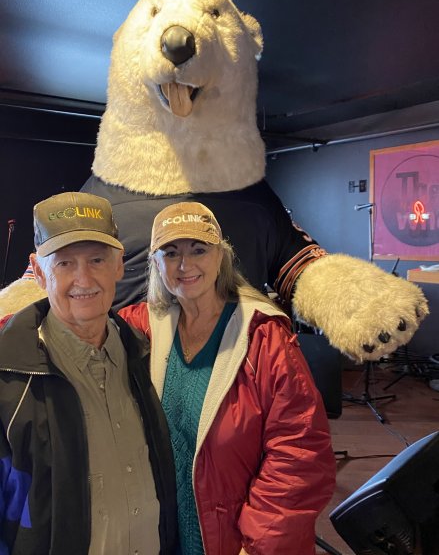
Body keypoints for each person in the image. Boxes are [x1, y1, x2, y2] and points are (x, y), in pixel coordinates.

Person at [119, 201, 336, 555]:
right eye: (170, 252)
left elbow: (300, 452)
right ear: (156, 263)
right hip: (163, 533)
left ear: (221, 255)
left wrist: (258, 545)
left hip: (238, 541)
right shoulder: (143, 326)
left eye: (198, 249)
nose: (185, 265)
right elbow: (80, 329)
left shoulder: (264, 336)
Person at [0, 192, 177, 555]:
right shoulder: (7, 379)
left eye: (97, 259)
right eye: (64, 263)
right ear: (38, 270)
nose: (84, 279)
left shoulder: (142, 354)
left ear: (118, 265)